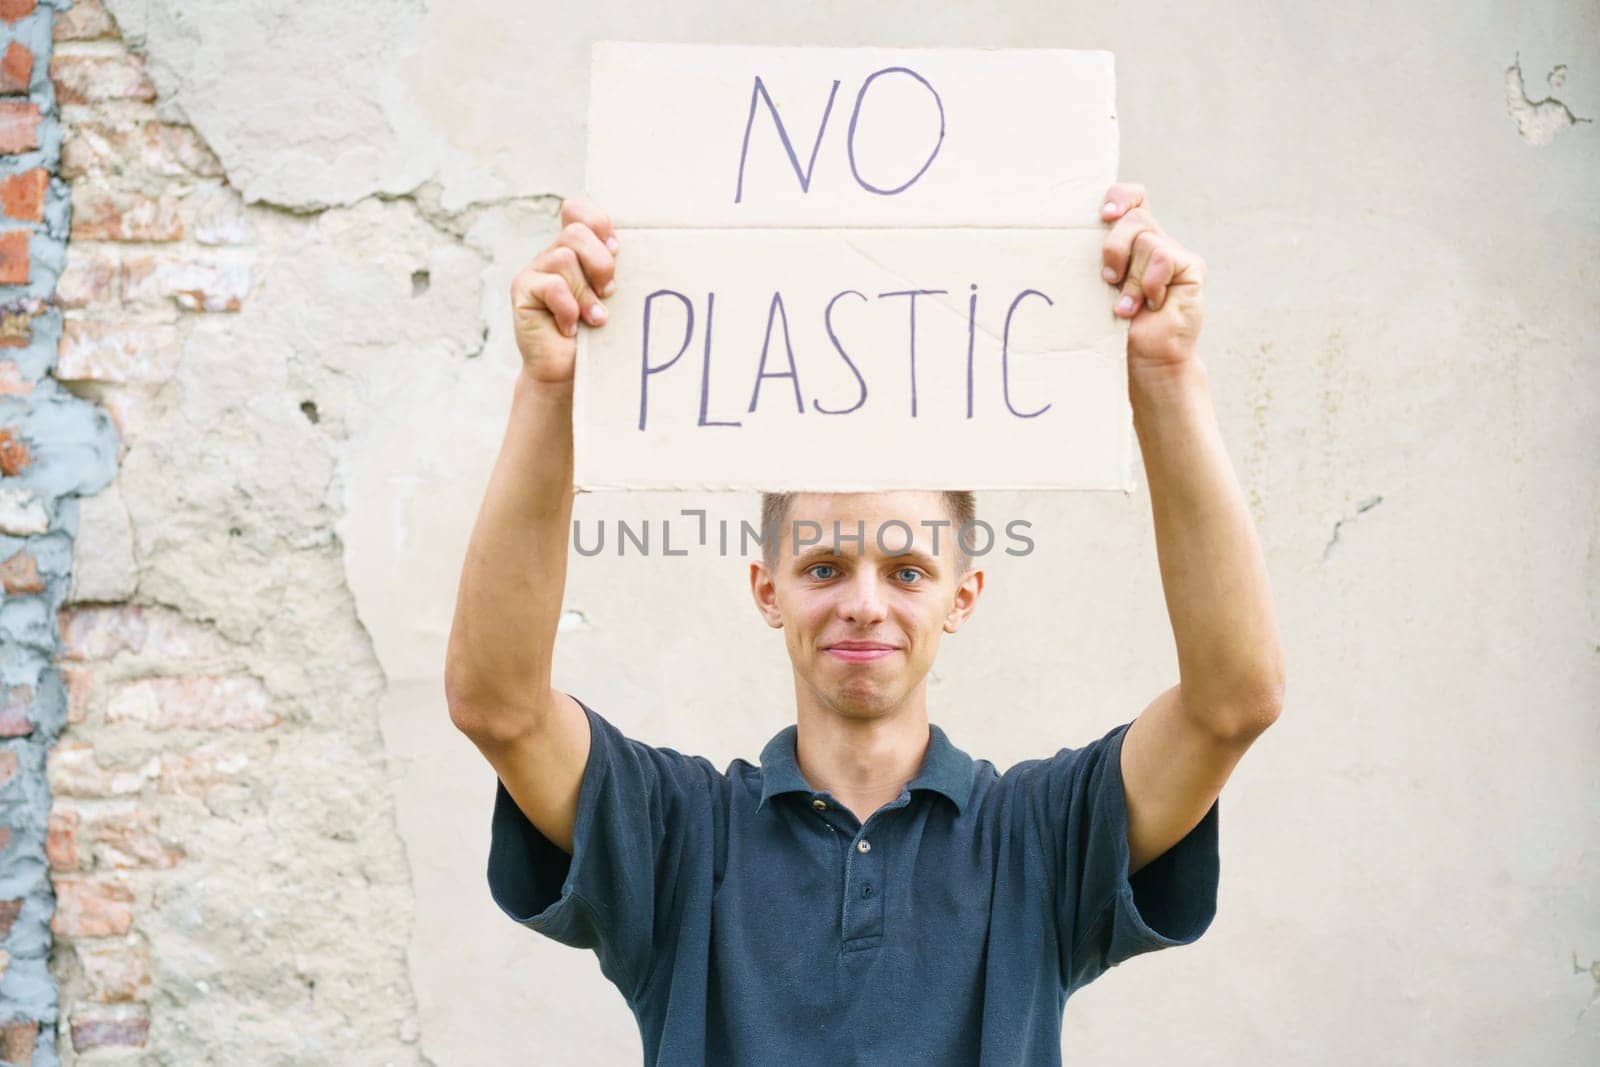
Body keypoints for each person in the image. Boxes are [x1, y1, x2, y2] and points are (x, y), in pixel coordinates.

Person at [445, 183, 1285, 1065]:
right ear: (766, 590)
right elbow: (498, 706)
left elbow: (1233, 702)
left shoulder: (1037, 834)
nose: (864, 602)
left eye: (908, 570)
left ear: (965, 595)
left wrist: (1165, 376)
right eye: (823, 567)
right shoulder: (678, 835)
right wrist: (550, 389)